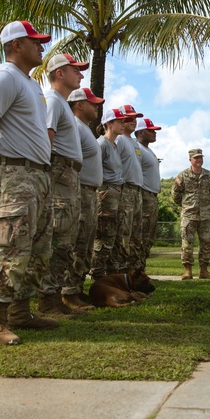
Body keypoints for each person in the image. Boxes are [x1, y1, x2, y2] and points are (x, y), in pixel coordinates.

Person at [0, 20, 58, 345]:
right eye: (35, 41)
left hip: (36, 175)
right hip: (13, 175)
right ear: (16, 45)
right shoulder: (3, 78)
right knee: (11, 247)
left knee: (36, 249)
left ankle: (21, 312)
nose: (42, 46)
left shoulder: (29, 83)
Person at [40, 53, 89, 318]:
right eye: (75, 70)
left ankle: (54, 296)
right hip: (58, 174)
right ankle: (48, 300)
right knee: (57, 239)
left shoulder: (60, 103)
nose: (80, 75)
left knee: (65, 240)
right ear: (60, 73)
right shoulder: (53, 101)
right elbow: (46, 139)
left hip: (67, 175)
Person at [64, 86, 104, 304]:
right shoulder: (75, 127)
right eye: (92, 103)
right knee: (77, 242)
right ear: (79, 105)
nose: (96, 106)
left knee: (86, 243)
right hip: (79, 190)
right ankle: (68, 291)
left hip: (89, 192)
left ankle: (77, 288)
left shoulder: (84, 129)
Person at [92, 107, 127, 278]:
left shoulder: (114, 145)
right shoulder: (102, 144)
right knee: (102, 236)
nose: (123, 124)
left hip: (115, 193)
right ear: (109, 123)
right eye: (119, 121)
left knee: (112, 236)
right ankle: (98, 275)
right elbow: (94, 169)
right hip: (106, 193)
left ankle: (108, 274)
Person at [172, 149, 210, 280]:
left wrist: (204, 205)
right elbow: (175, 194)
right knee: (187, 244)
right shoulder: (183, 176)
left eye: (200, 157)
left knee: (206, 243)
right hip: (189, 216)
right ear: (190, 159)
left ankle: (204, 271)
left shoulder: (209, 175)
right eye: (196, 158)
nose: (199, 160)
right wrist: (186, 206)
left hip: (205, 216)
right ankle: (187, 271)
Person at [115, 104, 143, 273]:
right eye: (129, 117)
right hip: (125, 189)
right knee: (124, 233)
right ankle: (122, 272)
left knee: (135, 234)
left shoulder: (133, 143)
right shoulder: (119, 140)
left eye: (135, 118)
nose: (133, 121)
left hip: (136, 191)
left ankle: (133, 273)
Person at [133, 117, 162, 272]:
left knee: (149, 236)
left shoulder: (147, 150)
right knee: (141, 235)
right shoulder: (137, 148)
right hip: (144, 196)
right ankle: (137, 272)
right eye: (151, 131)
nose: (154, 133)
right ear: (141, 132)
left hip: (152, 196)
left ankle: (141, 270)